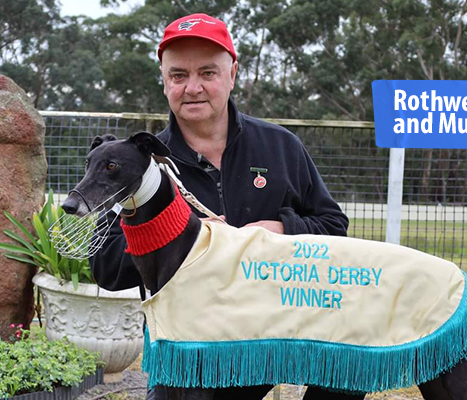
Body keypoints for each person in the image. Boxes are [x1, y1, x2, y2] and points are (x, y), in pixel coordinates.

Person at [89, 12, 365, 400]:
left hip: (273, 336)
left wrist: (278, 231)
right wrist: (187, 239)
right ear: (164, 80)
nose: (193, 88)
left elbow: (334, 226)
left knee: (352, 361)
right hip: (189, 349)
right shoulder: (139, 164)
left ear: (232, 74)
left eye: (208, 73)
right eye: (179, 75)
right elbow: (106, 267)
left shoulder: (281, 147)